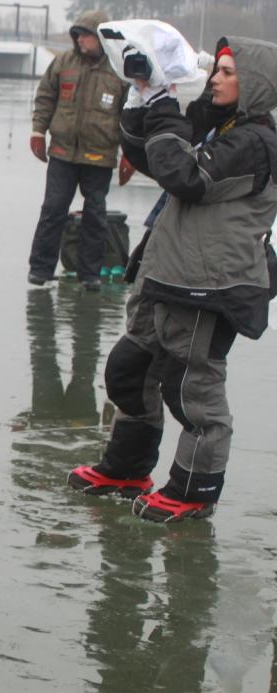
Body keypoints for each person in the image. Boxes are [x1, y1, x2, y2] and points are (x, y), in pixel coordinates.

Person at [68, 37, 277, 522]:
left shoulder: (257, 142)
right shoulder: (220, 123)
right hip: (168, 272)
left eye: (228, 72)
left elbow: (185, 175)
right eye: (215, 70)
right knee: (130, 370)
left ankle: (194, 489)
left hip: (211, 283)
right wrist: (145, 93)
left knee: (192, 391)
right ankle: (127, 468)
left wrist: (164, 105)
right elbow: (152, 156)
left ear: (257, 84)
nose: (216, 79)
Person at [27, 9, 130, 290]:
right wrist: (38, 132)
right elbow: (45, 97)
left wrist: (130, 155)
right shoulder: (63, 63)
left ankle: (90, 273)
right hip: (62, 153)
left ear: (101, 38)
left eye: (86, 35)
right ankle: (40, 268)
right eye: (77, 35)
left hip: (100, 156)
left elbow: (129, 114)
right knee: (53, 208)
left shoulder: (119, 71)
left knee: (95, 215)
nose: (80, 40)